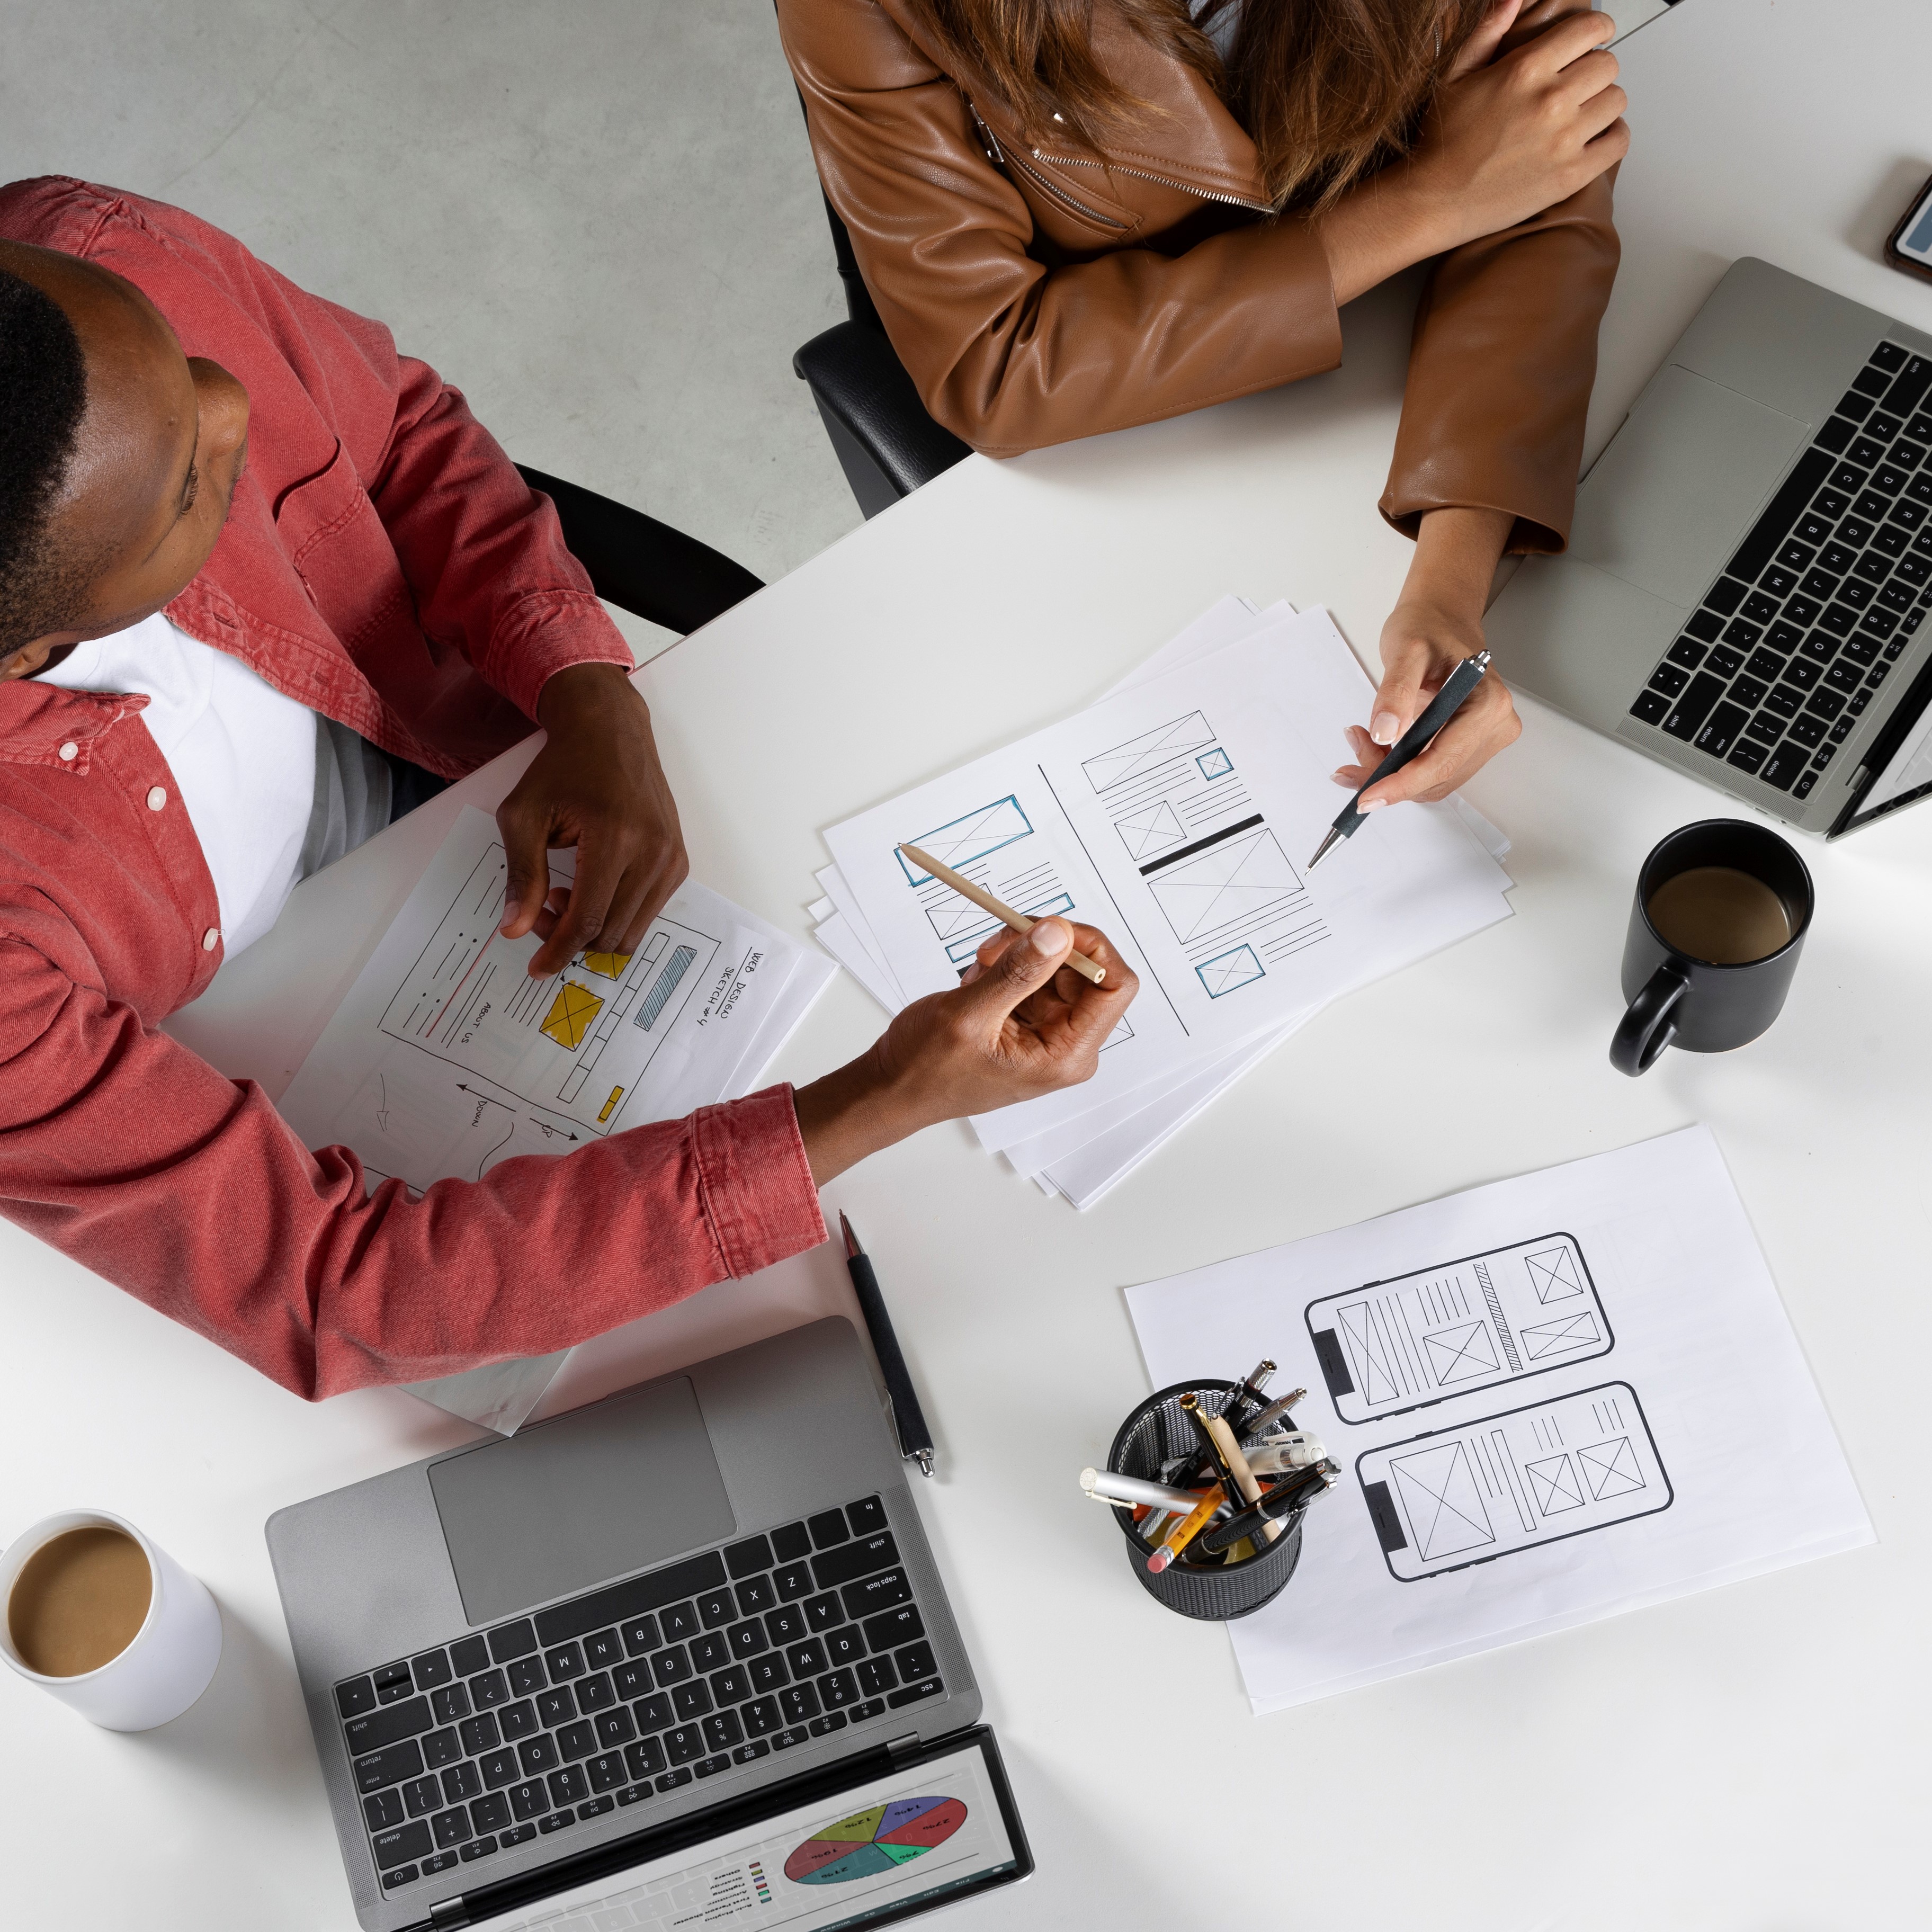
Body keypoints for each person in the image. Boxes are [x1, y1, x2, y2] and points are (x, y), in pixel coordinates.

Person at [0, 176, 1137, 1400]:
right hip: (236, 1048)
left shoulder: (85, 253)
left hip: (462, 758)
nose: (228, 403)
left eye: (179, 358)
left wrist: (585, 690)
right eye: (186, 491)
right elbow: (340, 1286)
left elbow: (395, 434)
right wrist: (888, 1095)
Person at [777, 0, 1628, 811]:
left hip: (1346, 402)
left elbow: (1539, 156)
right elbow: (997, 361)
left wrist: (1447, 586)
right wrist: (1426, 201)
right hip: (1118, 460)